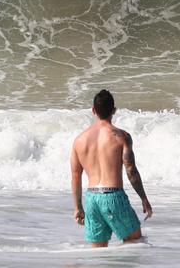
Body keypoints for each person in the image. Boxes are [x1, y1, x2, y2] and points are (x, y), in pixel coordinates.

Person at [70, 89, 153, 248]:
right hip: (113, 197)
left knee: (98, 255)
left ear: (93, 110)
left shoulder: (79, 140)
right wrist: (144, 199)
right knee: (135, 244)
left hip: (92, 199)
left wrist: (78, 208)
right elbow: (131, 169)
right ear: (114, 110)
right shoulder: (121, 136)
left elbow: (75, 176)